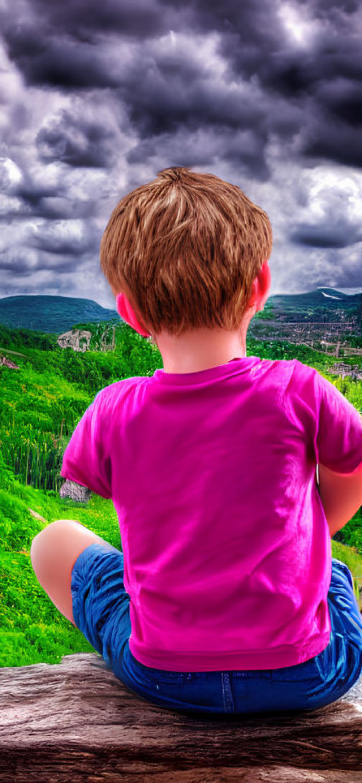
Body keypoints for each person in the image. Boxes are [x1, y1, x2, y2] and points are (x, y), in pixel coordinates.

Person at [31, 167, 362, 715]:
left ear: (130, 314)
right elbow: (354, 469)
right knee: (332, 570)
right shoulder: (299, 388)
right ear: (260, 285)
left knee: (55, 540)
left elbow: (124, 505)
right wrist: (310, 531)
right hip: (308, 674)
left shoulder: (112, 409)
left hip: (164, 676)